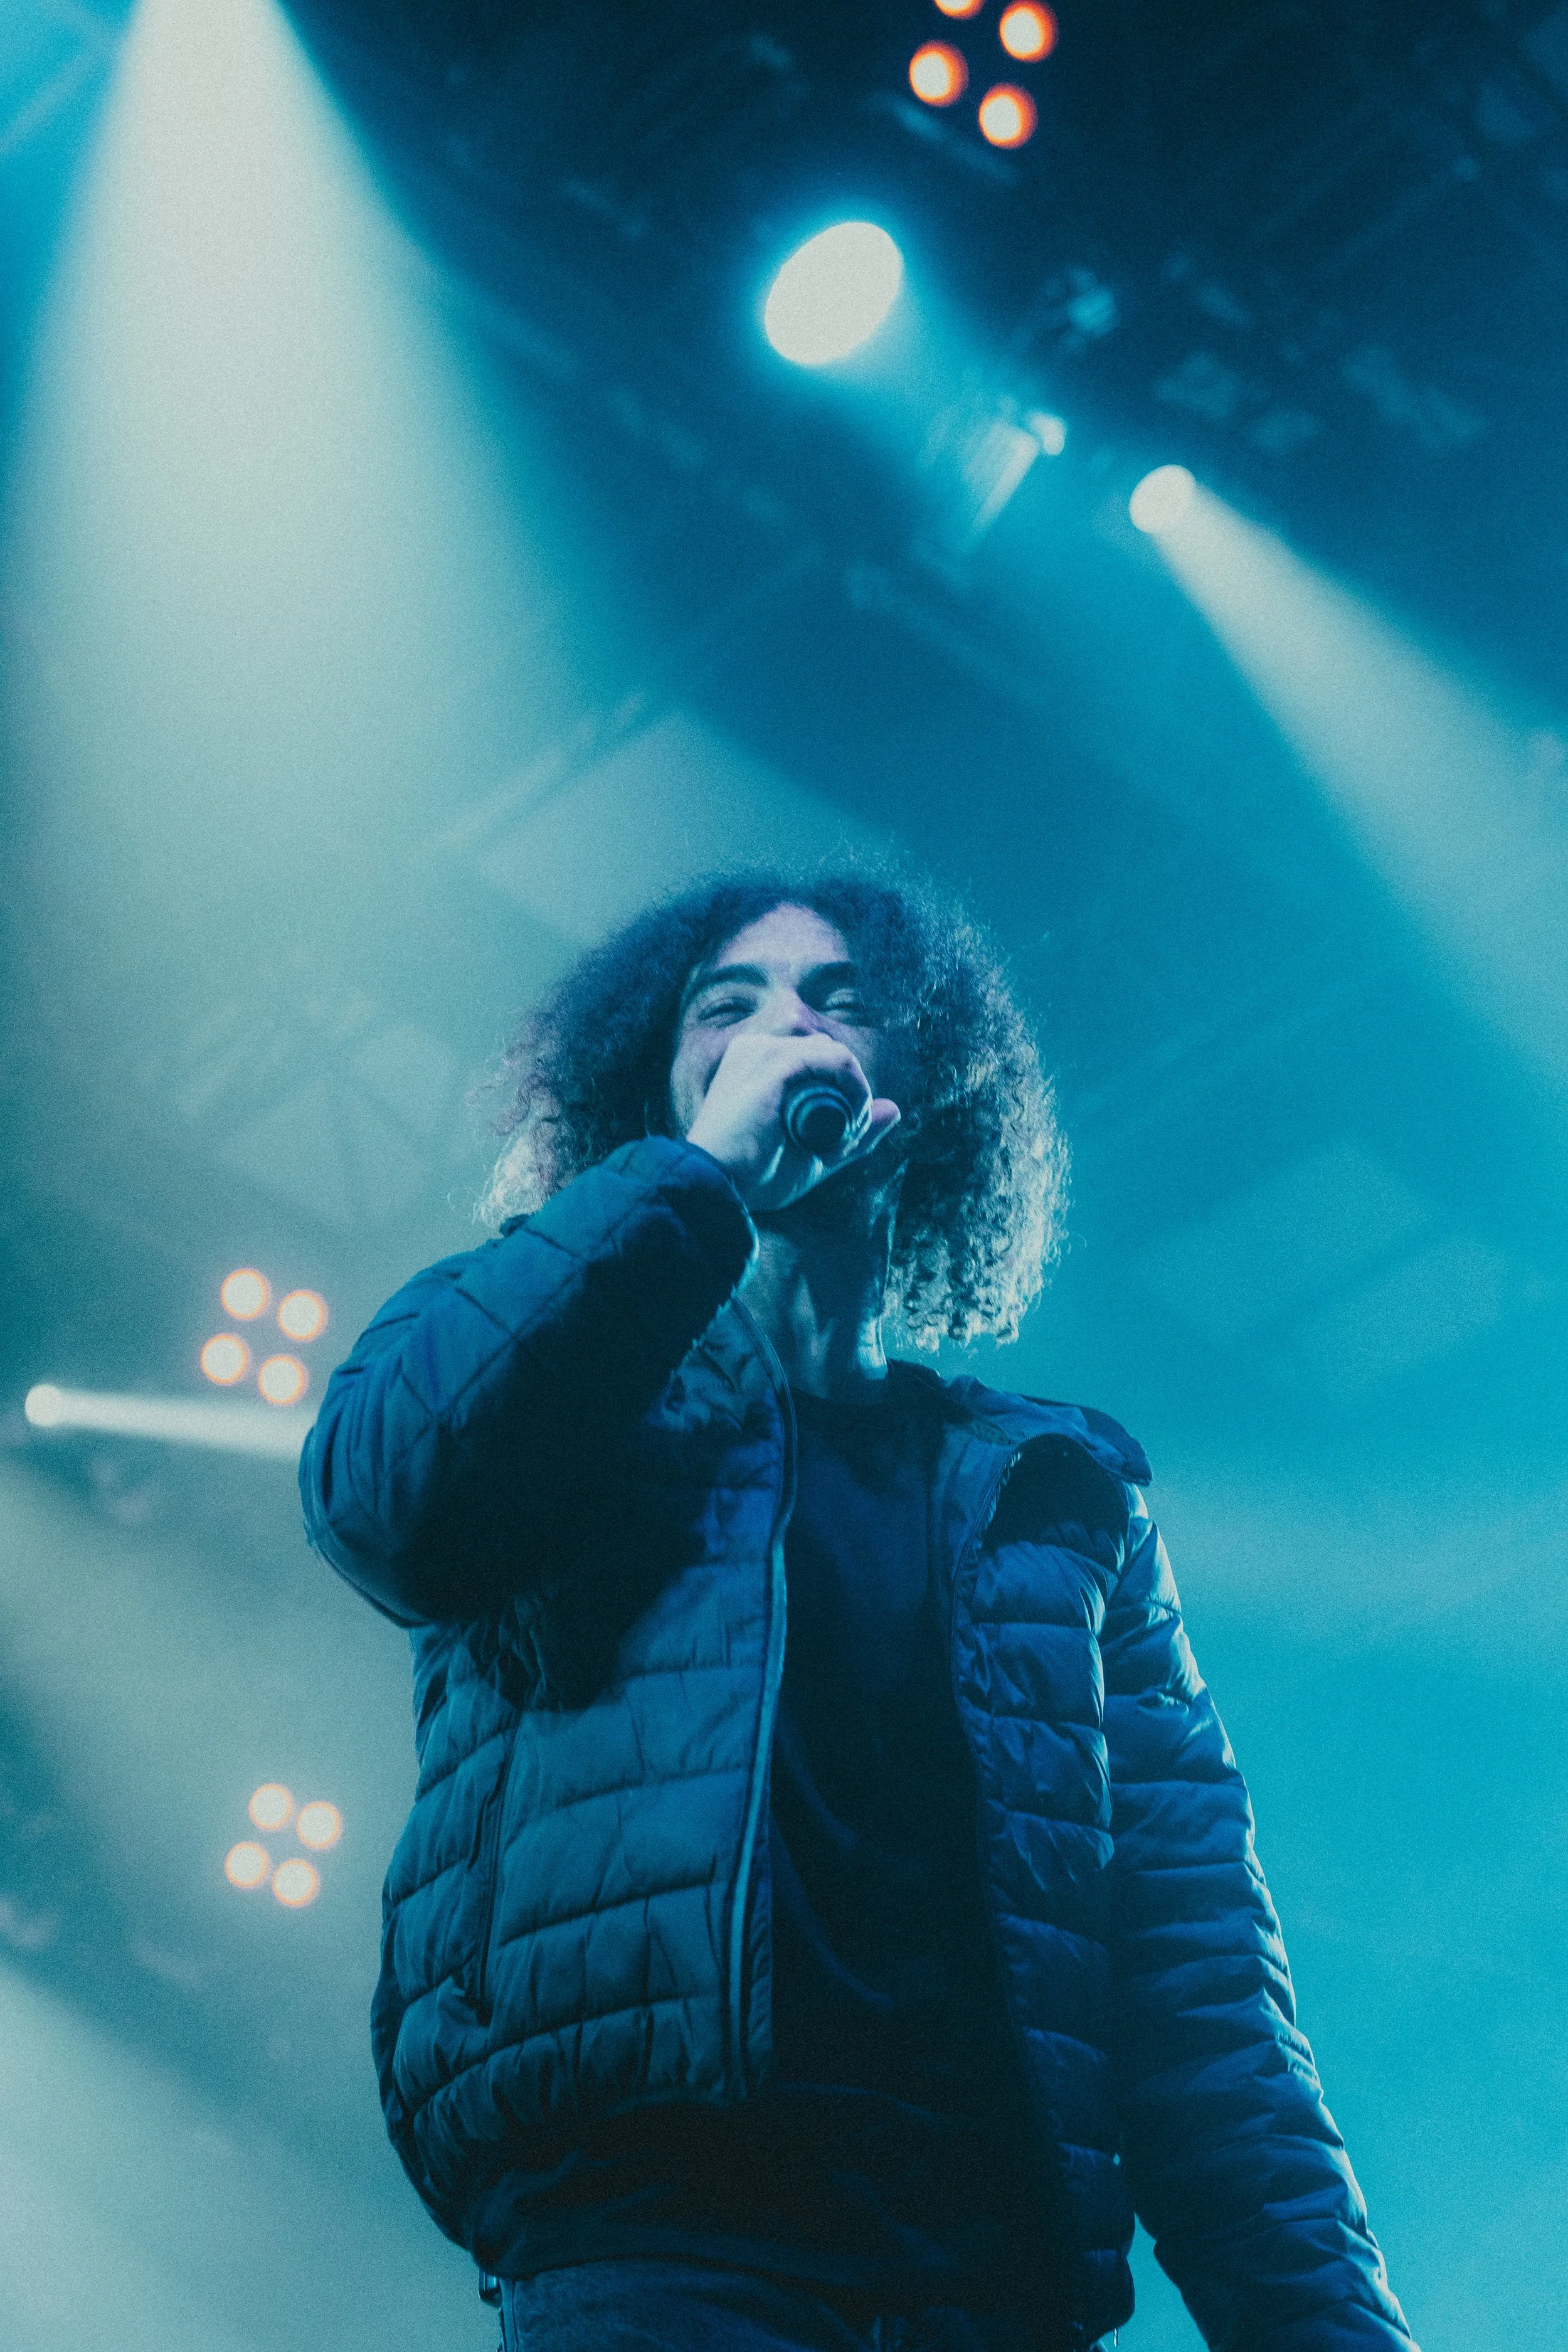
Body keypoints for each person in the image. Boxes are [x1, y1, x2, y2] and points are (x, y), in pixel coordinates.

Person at [300, 871, 1414, 2352]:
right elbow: (386, 1507)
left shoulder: (1052, 1496)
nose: (787, 1027)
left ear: (925, 1087)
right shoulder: (550, 1370)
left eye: (840, 1000)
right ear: (664, 1077)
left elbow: (1198, 2001)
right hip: (657, 2244)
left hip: (988, 2281)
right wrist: (699, 1181)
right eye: (729, 1003)